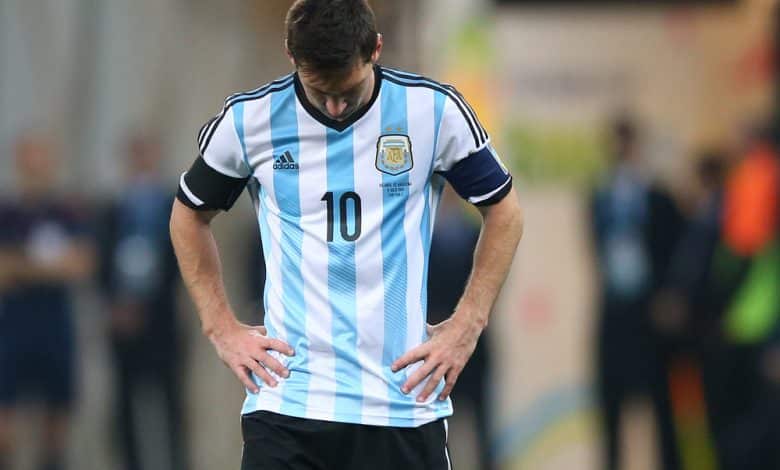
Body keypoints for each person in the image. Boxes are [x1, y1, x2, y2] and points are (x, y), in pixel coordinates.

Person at [169, 1, 524, 469]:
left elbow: (504, 212)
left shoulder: (433, 111)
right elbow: (189, 215)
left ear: (375, 49)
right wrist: (221, 328)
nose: (335, 106)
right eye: (319, 92)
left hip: (400, 403)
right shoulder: (249, 121)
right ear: (291, 55)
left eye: (347, 91)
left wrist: (467, 324)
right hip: (289, 406)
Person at [589, 115, 684, 470]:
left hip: (650, 312)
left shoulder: (659, 196)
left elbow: (675, 249)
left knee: (661, 403)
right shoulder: (600, 196)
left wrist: (668, 296)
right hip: (615, 311)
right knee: (611, 403)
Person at [0, 133, 94, 470]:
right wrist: (48, 265)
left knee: (56, 424)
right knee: (6, 426)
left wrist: (21, 264)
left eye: (42, 157)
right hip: (12, 325)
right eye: (29, 157)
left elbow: (81, 264)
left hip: (55, 324)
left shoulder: (67, 211)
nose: (35, 165)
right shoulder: (7, 213)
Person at [96, 134, 189, 470]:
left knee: (171, 404)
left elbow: (185, 260)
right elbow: (101, 262)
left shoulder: (174, 206)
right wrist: (116, 304)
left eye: (147, 154)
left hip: (162, 321)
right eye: (136, 155)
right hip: (122, 322)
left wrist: (147, 305)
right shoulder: (114, 209)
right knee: (125, 405)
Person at [427, 189, 496, 470]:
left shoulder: (473, 233)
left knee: (482, 420)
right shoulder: (426, 236)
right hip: (435, 342)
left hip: (472, 343)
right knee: (441, 424)